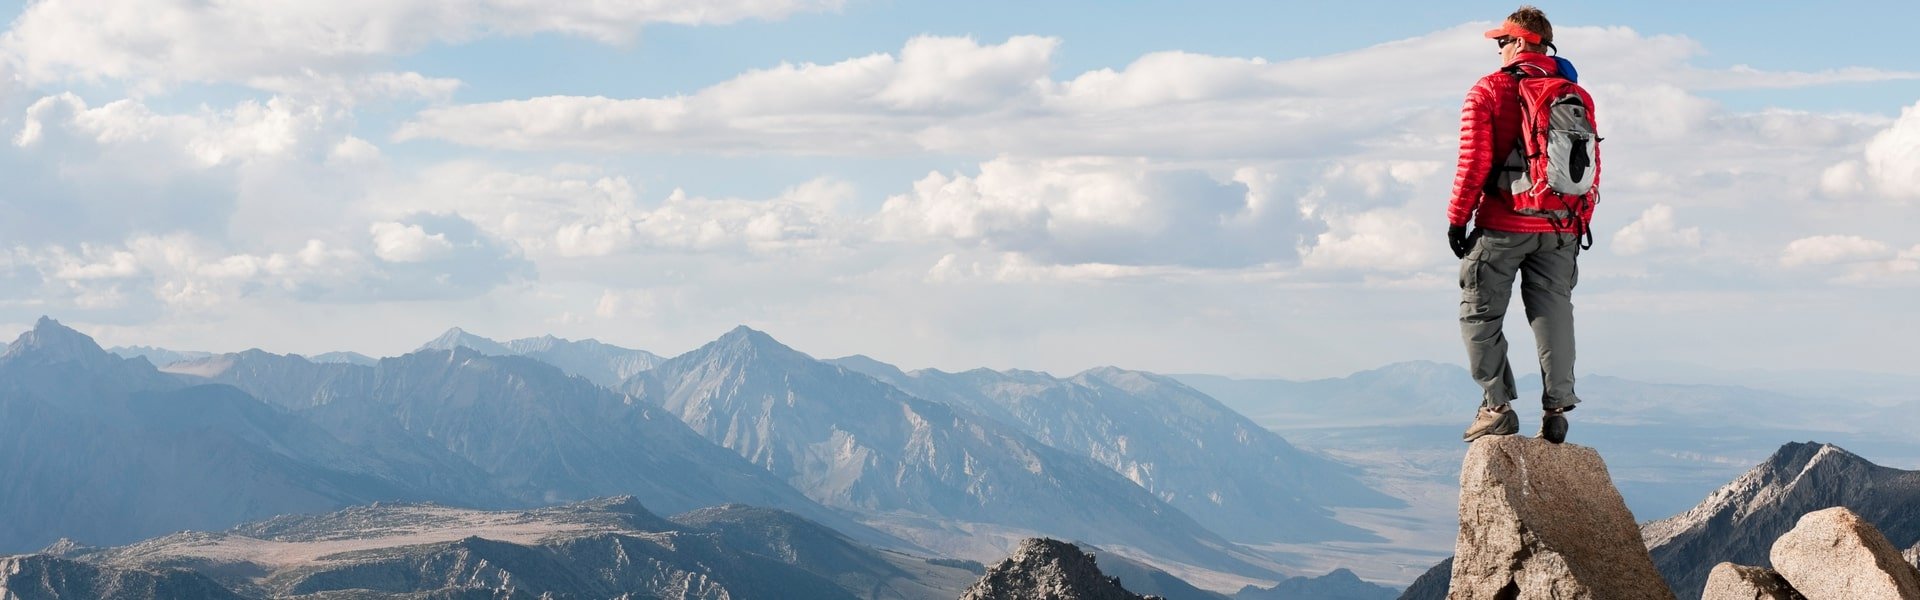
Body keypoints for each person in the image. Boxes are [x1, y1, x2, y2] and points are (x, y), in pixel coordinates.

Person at [1449, 6, 1594, 444]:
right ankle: (1556, 410)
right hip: (1561, 226)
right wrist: (1578, 221)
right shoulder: (1575, 94)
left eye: (1501, 42)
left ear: (1518, 43)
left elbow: (1473, 162)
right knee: (1553, 312)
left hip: (1503, 224)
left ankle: (1496, 407)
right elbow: (1589, 167)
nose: (1498, 50)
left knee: (1480, 312)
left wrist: (1458, 218)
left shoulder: (1489, 90)